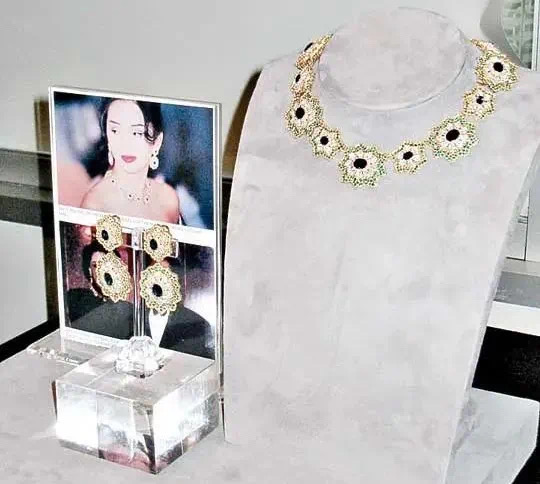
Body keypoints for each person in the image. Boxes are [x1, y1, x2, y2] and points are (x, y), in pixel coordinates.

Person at [81, 98, 181, 223]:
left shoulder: (168, 198)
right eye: (115, 131)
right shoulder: (95, 204)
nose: (125, 144)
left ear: (157, 141)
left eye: (136, 133)